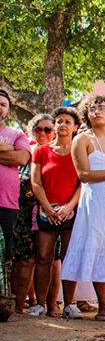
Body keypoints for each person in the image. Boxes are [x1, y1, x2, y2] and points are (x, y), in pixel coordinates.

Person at [60, 95, 105, 321]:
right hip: (95, 200)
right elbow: (84, 175)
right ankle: (103, 305)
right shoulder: (82, 139)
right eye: (91, 108)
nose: (97, 111)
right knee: (98, 247)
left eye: (102, 107)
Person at [29, 107, 81, 318]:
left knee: (69, 258)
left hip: (71, 211)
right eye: (59, 121)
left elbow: (82, 183)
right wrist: (48, 208)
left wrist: (68, 207)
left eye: (67, 121)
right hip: (46, 211)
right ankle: (39, 304)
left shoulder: (79, 151)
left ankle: (69, 304)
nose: (62, 125)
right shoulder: (41, 151)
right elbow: (36, 182)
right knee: (43, 258)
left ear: (75, 127)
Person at [11, 114, 59, 314]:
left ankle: (51, 305)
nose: (42, 133)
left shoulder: (58, 154)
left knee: (51, 260)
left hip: (50, 213)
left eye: (47, 129)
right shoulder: (25, 152)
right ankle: (17, 306)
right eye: (38, 129)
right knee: (23, 260)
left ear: (54, 131)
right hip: (23, 213)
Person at [0, 90, 32, 305]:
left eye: (3, 104)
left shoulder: (17, 135)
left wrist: (12, 150)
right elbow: (13, 155)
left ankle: (3, 299)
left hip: (6, 203)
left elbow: (21, 157)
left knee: (5, 256)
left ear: (8, 110)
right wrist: (5, 151)